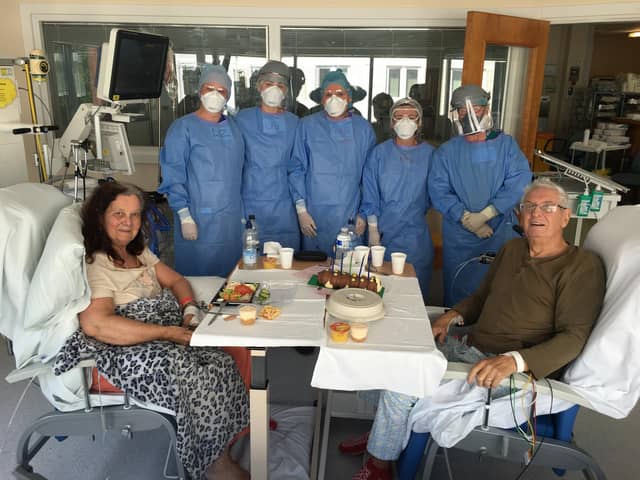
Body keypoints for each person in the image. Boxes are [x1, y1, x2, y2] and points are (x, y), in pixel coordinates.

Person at [347, 178, 606, 480]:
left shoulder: (579, 266)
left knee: (402, 382)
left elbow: (574, 337)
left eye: (548, 207)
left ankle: (380, 465)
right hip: (469, 346)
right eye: (529, 207)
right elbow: (481, 298)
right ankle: (385, 433)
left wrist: (515, 361)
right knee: (385, 349)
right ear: (520, 215)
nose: (537, 214)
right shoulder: (512, 249)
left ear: (565, 216)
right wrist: (453, 315)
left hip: (500, 370)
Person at [53, 181, 250, 480]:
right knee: (199, 369)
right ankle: (213, 462)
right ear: (100, 216)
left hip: (162, 329)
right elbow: (97, 324)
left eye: (134, 215)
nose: (128, 222)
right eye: (118, 213)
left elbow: (178, 280)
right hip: (125, 348)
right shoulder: (97, 264)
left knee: (228, 351)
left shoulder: (139, 253)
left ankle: (229, 435)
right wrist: (167, 333)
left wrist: (188, 311)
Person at [429, 84, 531, 306]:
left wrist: (487, 213)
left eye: (475, 108)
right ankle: (454, 337)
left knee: (499, 290)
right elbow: (438, 190)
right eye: (463, 111)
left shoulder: (506, 146)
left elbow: (519, 182)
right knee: (459, 290)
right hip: (460, 235)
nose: (469, 116)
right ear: (455, 114)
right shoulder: (447, 151)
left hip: (500, 229)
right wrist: (466, 218)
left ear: (487, 109)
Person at [159, 64, 244, 277]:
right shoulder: (183, 128)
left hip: (231, 222)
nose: (215, 94)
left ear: (228, 95)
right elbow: (173, 173)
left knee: (232, 284)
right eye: (209, 88)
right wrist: (184, 215)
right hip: (198, 219)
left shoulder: (234, 127)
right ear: (199, 90)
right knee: (200, 284)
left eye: (221, 90)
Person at [290, 69, 376, 255]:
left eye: (339, 94)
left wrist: (364, 213)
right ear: (321, 99)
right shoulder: (307, 126)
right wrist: (301, 211)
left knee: (348, 274)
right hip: (314, 216)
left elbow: (370, 176)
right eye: (328, 94)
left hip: (350, 214)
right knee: (313, 274)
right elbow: (297, 168)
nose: (333, 99)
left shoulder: (363, 129)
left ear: (349, 97)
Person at [362, 97, 435, 300]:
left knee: (414, 295)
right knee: (381, 293)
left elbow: (438, 193)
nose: (405, 121)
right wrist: (373, 228)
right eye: (399, 116)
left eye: (412, 117)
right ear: (392, 122)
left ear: (419, 122)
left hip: (416, 237)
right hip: (384, 234)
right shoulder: (379, 154)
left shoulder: (431, 155)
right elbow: (370, 191)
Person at [235, 60, 301, 250]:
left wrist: (301, 207)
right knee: (252, 264)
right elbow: (231, 163)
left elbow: (297, 167)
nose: (274, 89)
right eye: (268, 84)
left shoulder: (295, 123)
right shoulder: (242, 120)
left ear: (286, 91)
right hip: (251, 204)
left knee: (286, 264)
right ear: (258, 86)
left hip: (284, 207)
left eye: (280, 85)